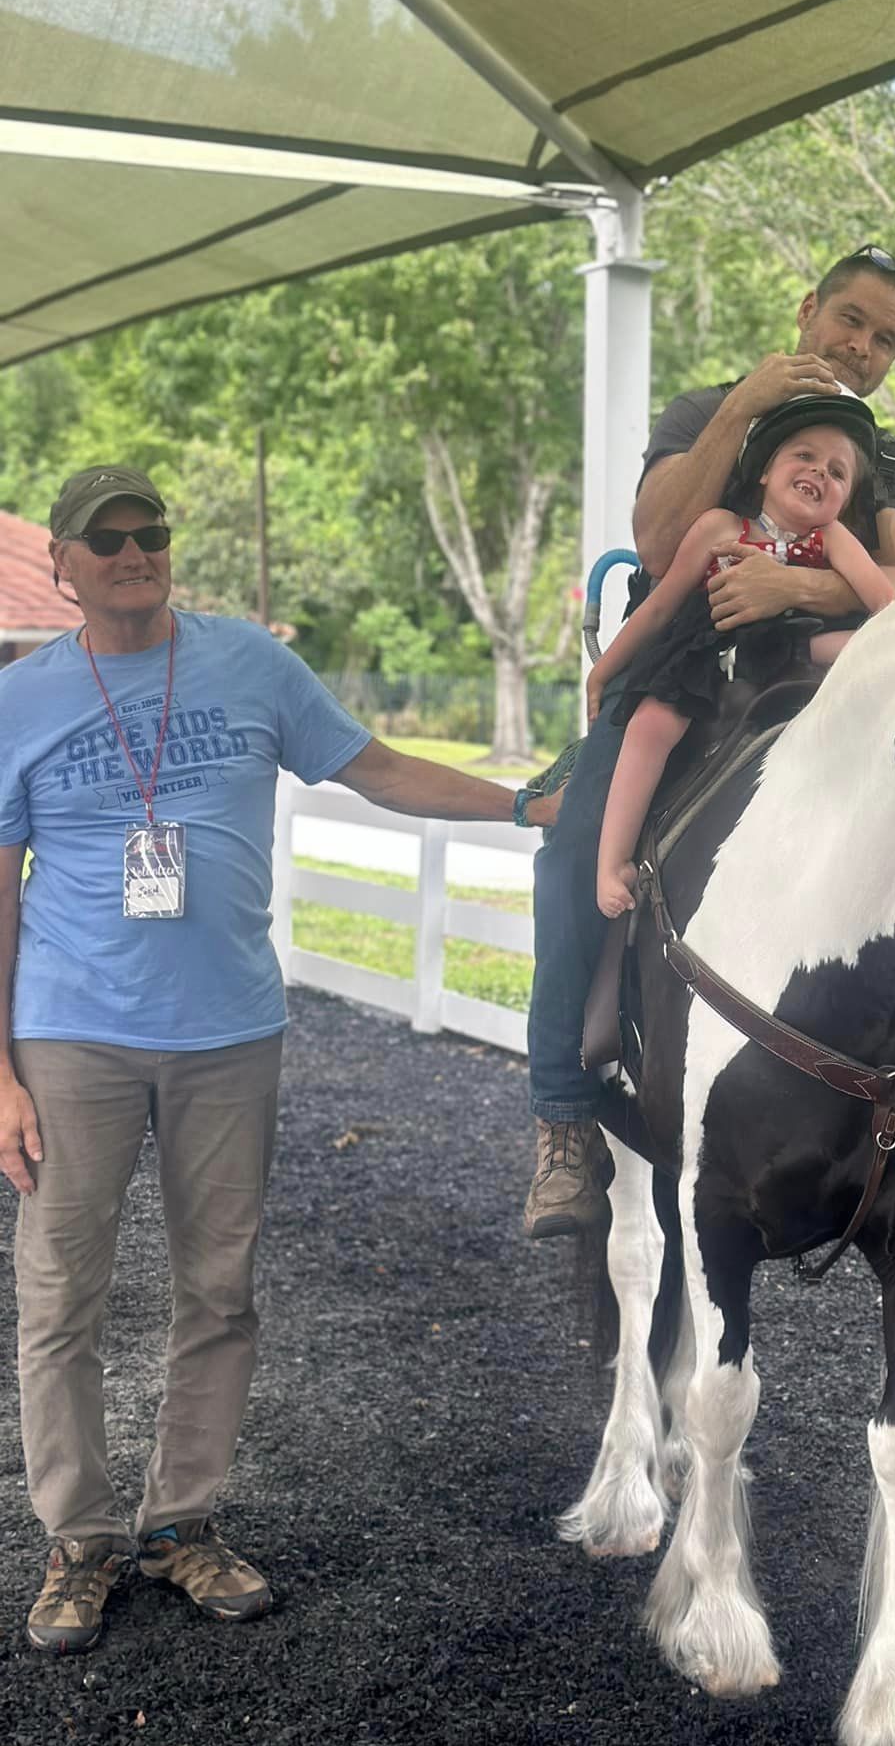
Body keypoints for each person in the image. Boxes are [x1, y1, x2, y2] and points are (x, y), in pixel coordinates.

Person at [0, 466, 534, 1656]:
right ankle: (79, 1536)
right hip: (72, 1029)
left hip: (230, 1030)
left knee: (220, 1289)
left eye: (152, 534)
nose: (136, 552)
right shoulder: (20, 698)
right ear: (64, 563)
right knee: (59, 1294)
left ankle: (180, 1519)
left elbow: (378, 767)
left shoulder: (249, 663)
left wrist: (522, 805)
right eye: (109, 539)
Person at [521, 246, 895, 1238]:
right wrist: (744, 407)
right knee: (574, 845)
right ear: (808, 310)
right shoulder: (703, 413)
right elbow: (656, 542)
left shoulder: (890, 462)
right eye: (849, 319)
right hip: (693, 674)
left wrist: (792, 586)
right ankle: (562, 1115)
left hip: (831, 686)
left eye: (885, 338)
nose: (861, 346)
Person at [590, 395, 895, 916]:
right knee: (650, 725)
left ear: (843, 500)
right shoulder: (719, 527)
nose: (818, 472)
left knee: (870, 655)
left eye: (837, 472)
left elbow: (886, 606)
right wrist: (605, 668)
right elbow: (662, 606)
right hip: (712, 649)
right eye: (804, 457)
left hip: (792, 647)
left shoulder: (833, 538)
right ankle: (610, 861)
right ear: (765, 471)